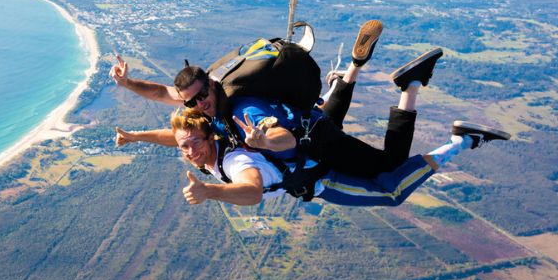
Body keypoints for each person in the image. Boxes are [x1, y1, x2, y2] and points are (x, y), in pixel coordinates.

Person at [111, 20, 442, 178]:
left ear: (211, 84)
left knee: (390, 166)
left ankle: (409, 86)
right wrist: (127, 83)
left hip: (318, 141)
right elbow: (160, 92)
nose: (199, 105)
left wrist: (264, 141)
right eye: (190, 102)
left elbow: (283, 137)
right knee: (330, 118)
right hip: (313, 118)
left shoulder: (243, 109)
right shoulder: (205, 103)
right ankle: (355, 65)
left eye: (202, 96)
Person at [118, 107, 509, 207]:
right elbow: (175, 135)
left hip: (323, 181)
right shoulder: (211, 140)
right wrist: (136, 136)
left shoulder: (235, 162)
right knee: (389, 164)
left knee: (391, 192)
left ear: (208, 136)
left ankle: (461, 142)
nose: (188, 150)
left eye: (193, 143)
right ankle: (344, 80)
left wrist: (210, 192)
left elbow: (252, 192)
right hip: (313, 159)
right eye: (184, 145)